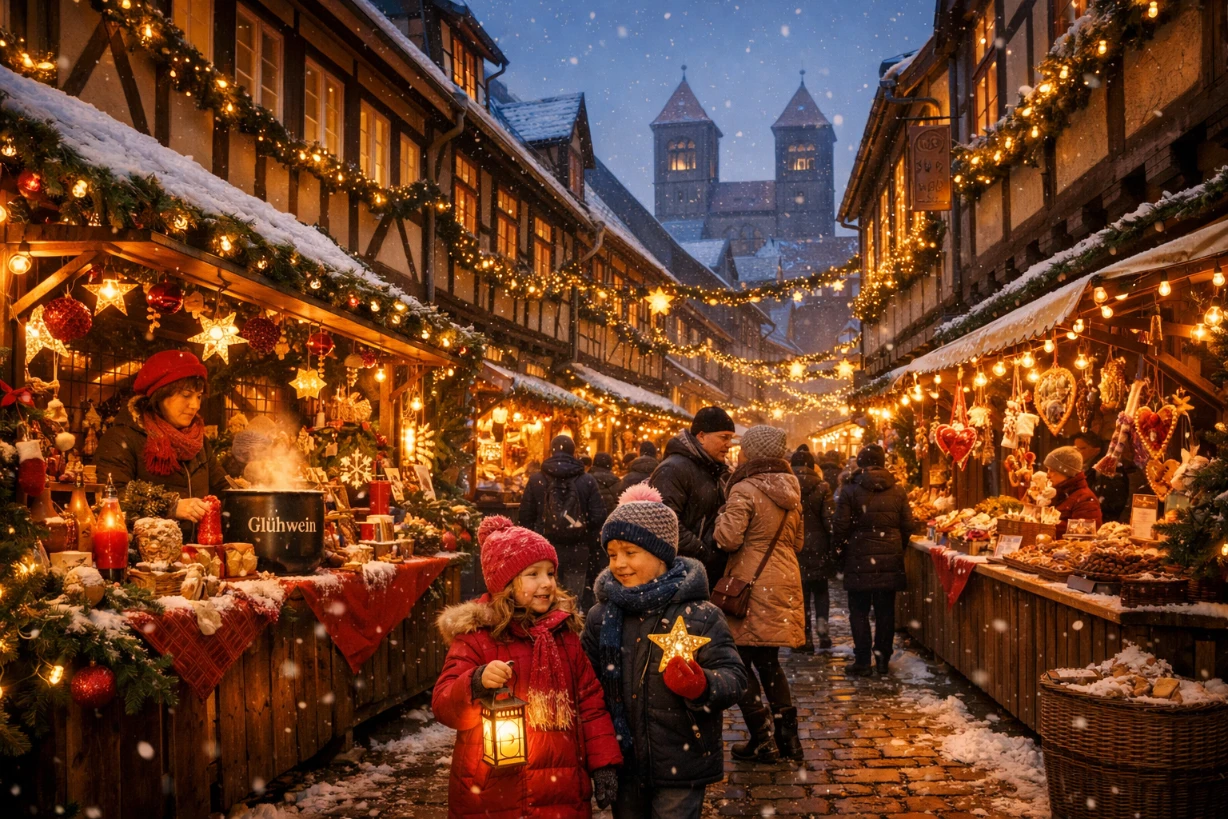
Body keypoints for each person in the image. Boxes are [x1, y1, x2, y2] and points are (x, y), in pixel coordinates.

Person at [433, 516, 622, 818]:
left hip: (562, 790)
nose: (546, 583)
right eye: (533, 574)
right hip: (495, 792)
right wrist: (476, 682)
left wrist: (603, 763)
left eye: (550, 573)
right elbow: (445, 706)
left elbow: (589, 705)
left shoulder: (564, 635)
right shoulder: (476, 639)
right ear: (504, 583)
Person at [583, 484, 746, 818]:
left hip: (682, 761)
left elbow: (735, 678)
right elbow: (585, 683)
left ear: (660, 554)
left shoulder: (701, 614)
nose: (619, 564)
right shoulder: (602, 616)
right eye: (612, 554)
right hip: (623, 760)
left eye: (630, 552)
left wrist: (703, 686)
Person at [713, 425, 806, 763]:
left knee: (738, 662)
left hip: (749, 582)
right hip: (784, 577)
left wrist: (721, 516)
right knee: (769, 662)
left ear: (750, 453)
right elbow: (798, 542)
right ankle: (789, 738)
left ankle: (761, 735)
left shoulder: (744, 488)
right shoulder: (792, 487)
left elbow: (728, 539)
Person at [96, 350, 230, 536]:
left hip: (196, 555)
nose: (195, 405)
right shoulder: (121, 437)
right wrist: (171, 506)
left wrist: (251, 491)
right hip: (144, 557)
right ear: (160, 395)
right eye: (186, 395)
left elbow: (224, 488)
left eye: (198, 396)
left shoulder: (199, 441)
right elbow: (113, 497)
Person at [832, 444, 913, 677]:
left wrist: (840, 552)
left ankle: (863, 661)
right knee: (885, 612)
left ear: (860, 463)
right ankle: (883, 660)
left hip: (858, 560)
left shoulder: (849, 490)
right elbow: (908, 525)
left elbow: (840, 527)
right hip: (889, 561)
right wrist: (896, 547)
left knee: (859, 611)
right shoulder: (897, 491)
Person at [518, 435, 606, 605]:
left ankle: (546, 630)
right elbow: (598, 515)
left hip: (544, 550)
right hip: (578, 550)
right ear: (574, 452)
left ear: (551, 451)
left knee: (544, 599)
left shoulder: (537, 480)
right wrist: (583, 532)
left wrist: (535, 538)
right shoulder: (586, 480)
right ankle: (569, 627)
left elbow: (525, 516)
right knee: (572, 600)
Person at [650, 406, 735, 580]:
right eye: (724, 437)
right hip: (681, 574)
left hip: (701, 573)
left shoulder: (714, 470)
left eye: (731, 438)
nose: (729, 444)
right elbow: (664, 522)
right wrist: (703, 552)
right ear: (702, 436)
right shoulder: (673, 469)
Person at [791, 447, 835, 651]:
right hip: (819, 547)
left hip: (794, 547)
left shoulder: (788, 487)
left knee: (801, 595)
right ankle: (823, 630)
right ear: (811, 465)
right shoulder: (822, 487)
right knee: (821, 591)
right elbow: (830, 522)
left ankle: (804, 638)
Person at [1045, 446, 1103, 535]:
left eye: (1052, 470)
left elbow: (1085, 534)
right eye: (1047, 470)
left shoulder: (1085, 499)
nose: (1048, 475)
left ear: (1066, 471)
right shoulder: (1057, 494)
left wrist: (1046, 525)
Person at [1074, 432, 1129, 522]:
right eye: (1076, 448)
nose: (1077, 452)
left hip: (1102, 520)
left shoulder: (1106, 468)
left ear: (1096, 450)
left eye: (1082, 448)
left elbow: (1112, 501)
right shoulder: (1084, 467)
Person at [590, 452, 621, 517]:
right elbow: (618, 501)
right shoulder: (615, 480)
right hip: (610, 519)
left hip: (591, 519)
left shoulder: (588, 478)